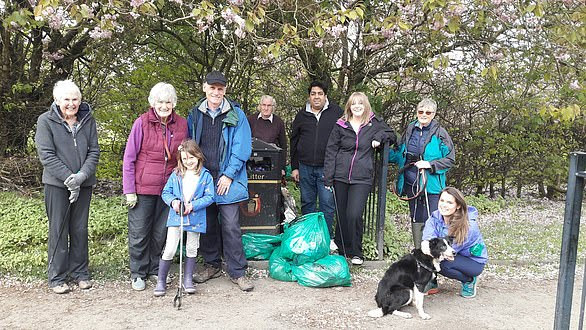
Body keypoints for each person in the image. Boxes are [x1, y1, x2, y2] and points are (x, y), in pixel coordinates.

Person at [186, 71, 254, 292]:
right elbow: (189, 145)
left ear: (224, 90)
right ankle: (212, 264)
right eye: (212, 87)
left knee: (231, 225)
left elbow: (242, 148)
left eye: (220, 88)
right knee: (207, 224)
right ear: (204, 87)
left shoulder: (236, 115)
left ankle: (238, 271)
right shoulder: (195, 114)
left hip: (227, 178)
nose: (216, 92)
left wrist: (229, 175)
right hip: (203, 177)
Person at [35, 80, 100, 294]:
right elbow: (46, 155)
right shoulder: (45, 121)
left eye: (75, 99)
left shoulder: (88, 120)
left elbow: (94, 152)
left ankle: (80, 273)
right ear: (57, 100)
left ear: (80, 100)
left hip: (84, 184)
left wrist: (80, 177)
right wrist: (68, 178)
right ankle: (57, 277)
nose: (71, 104)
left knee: (79, 229)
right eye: (66, 99)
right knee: (59, 229)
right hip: (56, 185)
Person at [122, 82, 188, 291]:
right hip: (143, 187)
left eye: (168, 102)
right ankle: (138, 273)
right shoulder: (141, 123)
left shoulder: (182, 124)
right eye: (160, 102)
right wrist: (129, 190)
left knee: (161, 232)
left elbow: (185, 156)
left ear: (173, 103)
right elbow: (129, 158)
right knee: (140, 231)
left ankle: (154, 268)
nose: (164, 106)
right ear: (153, 103)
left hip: (169, 188)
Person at [324, 92, 395, 265]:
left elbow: (392, 135)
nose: (357, 106)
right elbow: (331, 151)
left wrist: (379, 137)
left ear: (365, 106)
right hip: (341, 176)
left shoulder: (373, 124)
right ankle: (342, 249)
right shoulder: (341, 125)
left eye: (360, 104)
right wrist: (328, 177)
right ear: (349, 106)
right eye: (354, 103)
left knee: (354, 214)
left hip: (362, 177)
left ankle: (356, 251)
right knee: (341, 214)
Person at [388, 98, 455, 248]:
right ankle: (420, 251)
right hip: (411, 183)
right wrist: (381, 150)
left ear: (433, 114)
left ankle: (437, 253)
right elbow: (399, 152)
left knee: (433, 218)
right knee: (416, 218)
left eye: (428, 112)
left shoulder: (440, 133)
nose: (424, 115)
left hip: (431, 185)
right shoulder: (410, 129)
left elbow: (450, 159)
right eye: (421, 111)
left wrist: (430, 165)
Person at [155, 140, 215, 296]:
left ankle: (187, 279)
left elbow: (210, 197)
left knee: (192, 247)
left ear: (198, 156)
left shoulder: (205, 176)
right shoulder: (176, 174)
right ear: (180, 159)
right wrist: (173, 202)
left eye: (191, 158)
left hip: (196, 217)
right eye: (185, 159)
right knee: (170, 248)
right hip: (177, 216)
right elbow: (166, 193)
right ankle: (161, 280)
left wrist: (193, 205)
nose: (188, 162)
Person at [290, 81, 343, 250]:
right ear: (309, 96)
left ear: (325, 95)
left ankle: (326, 239)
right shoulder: (301, 115)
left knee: (327, 204)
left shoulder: (336, 113)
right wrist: (295, 166)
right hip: (305, 167)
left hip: (326, 168)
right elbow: (294, 141)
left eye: (320, 93)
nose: (316, 97)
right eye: (313, 93)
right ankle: (309, 237)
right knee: (307, 203)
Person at [421, 187, 488, 298]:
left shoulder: (469, 225)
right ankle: (431, 281)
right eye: (442, 201)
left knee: (442, 263)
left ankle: (469, 280)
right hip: (451, 254)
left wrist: (430, 249)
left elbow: (448, 252)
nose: (444, 205)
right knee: (425, 254)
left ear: (458, 206)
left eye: (449, 202)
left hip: (473, 261)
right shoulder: (434, 218)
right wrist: (425, 245)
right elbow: (428, 241)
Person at [247, 95, 287, 176]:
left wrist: (282, 167)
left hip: (272, 163)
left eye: (269, 105)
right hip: (251, 162)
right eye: (264, 105)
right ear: (260, 106)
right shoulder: (250, 120)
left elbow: (283, 146)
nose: (266, 108)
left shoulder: (279, 122)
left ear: (273, 107)